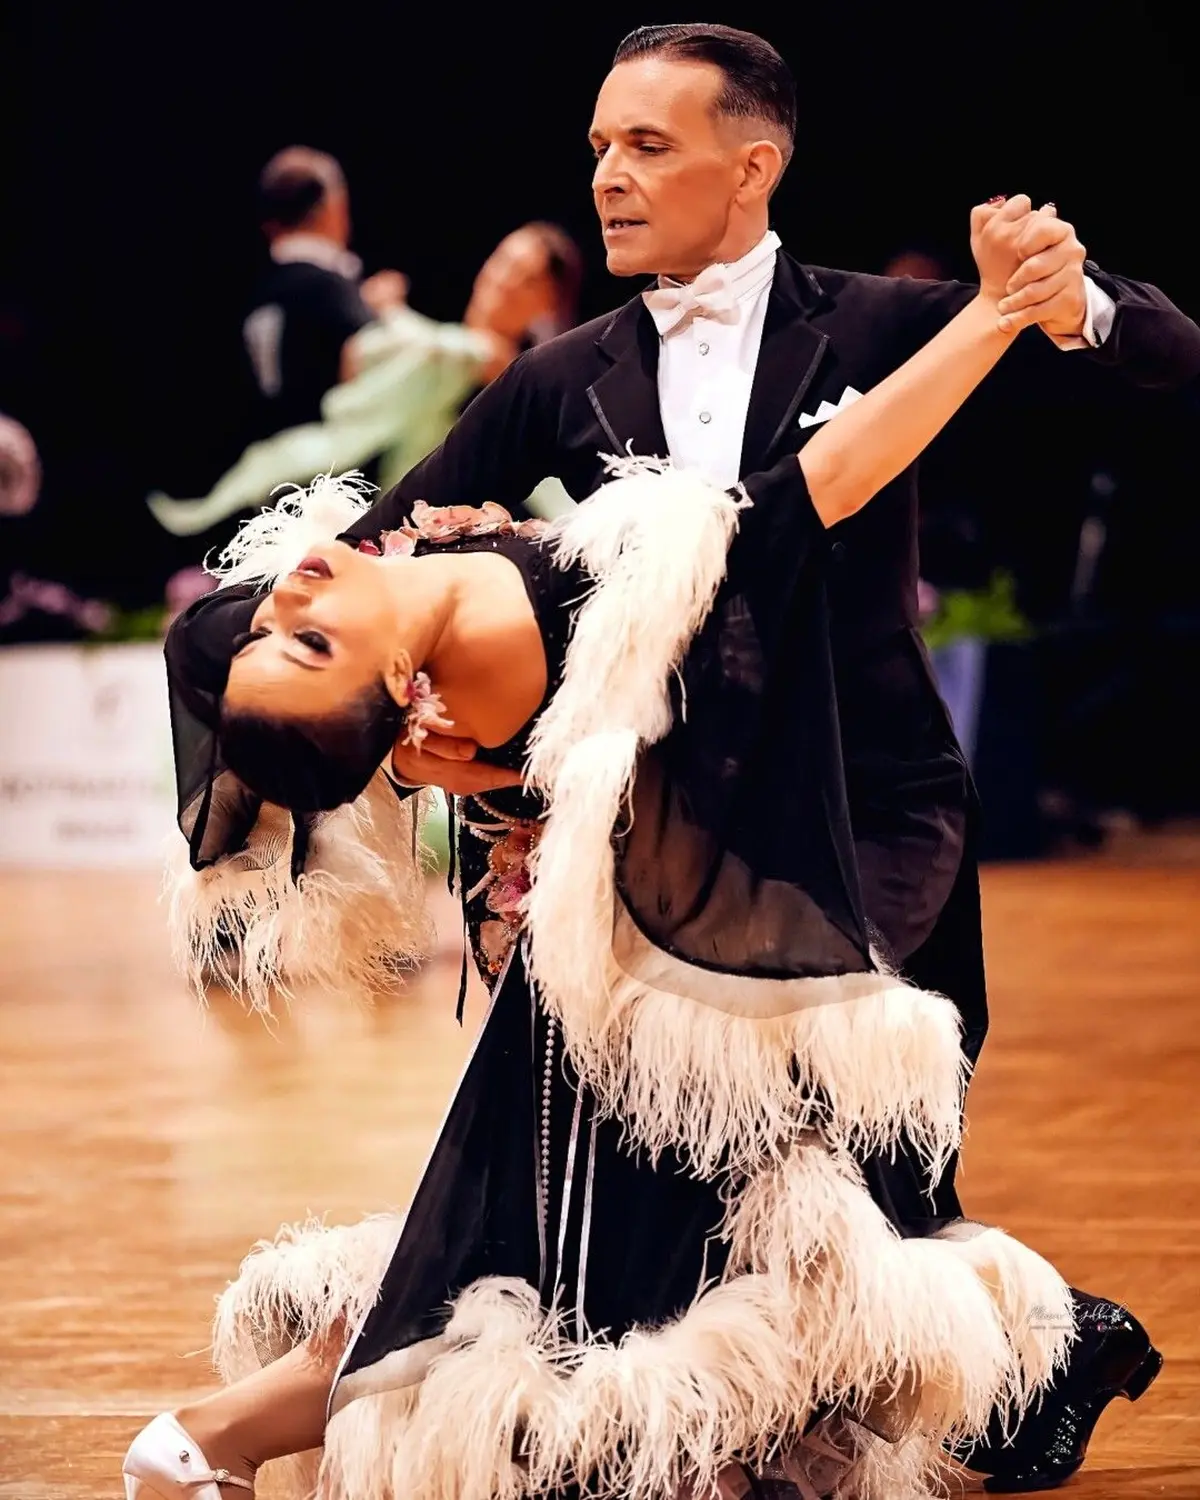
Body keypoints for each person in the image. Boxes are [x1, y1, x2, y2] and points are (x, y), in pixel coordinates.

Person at [330, 24, 1197, 1490]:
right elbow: (383, 542)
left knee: (830, 1126)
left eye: (647, 147)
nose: (607, 175)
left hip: (876, 810)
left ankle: (997, 1352)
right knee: (746, 1159)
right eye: (599, 145)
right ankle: (977, 1359)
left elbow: (1167, 358)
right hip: (677, 820)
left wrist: (1071, 297)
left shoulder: (876, 324)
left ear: (756, 166)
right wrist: (387, 712)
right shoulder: (566, 374)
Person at [128, 197, 1078, 1500]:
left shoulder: (428, 604)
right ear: (408, 690)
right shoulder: (605, 591)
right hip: (671, 986)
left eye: (281, 633)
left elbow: (222, 639)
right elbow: (824, 485)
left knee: (551, 1266)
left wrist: (416, 753)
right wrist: (990, 317)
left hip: (670, 959)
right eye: (307, 641)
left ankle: (215, 1438)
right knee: (574, 1284)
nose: (291, 593)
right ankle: (226, 1433)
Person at [146, 221, 583, 540]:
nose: (504, 280)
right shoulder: (446, 348)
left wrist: (391, 312)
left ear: (546, 301)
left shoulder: (501, 364)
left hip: (446, 529)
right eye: (504, 261)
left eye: (527, 278)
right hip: (386, 506)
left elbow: (442, 349)